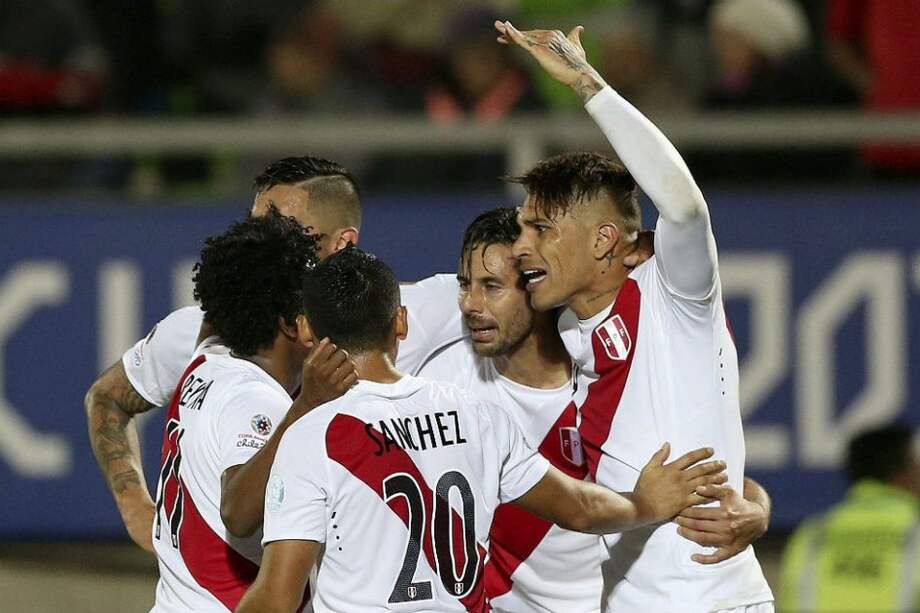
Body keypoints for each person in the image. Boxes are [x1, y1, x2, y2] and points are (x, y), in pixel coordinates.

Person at [235, 246, 727, 613]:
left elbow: (277, 598)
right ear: (400, 322)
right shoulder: (476, 414)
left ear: (308, 330)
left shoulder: (312, 435)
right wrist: (645, 504)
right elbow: (580, 509)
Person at [495, 20, 773, 612]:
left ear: (603, 240)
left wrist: (588, 85)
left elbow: (685, 206)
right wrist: (757, 501)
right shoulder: (564, 328)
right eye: (520, 229)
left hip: (709, 601)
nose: (520, 247)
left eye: (540, 229)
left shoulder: (672, 294)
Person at [84, 155, 460, 553]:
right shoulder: (209, 331)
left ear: (344, 244)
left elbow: (502, 288)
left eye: (284, 228)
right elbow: (107, 398)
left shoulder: (403, 315)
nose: (262, 242)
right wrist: (136, 510)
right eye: (256, 227)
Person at [419, 207, 773, 612]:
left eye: (492, 286)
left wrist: (757, 510)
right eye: (466, 285)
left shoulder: (608, 375)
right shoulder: (446, 385)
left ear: (536, 287)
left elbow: (705, 472)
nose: (469, 304)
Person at [150, 209, 356, 611]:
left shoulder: (203, 362)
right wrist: (305, 407)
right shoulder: (255, 400)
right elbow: (238, 513)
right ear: (293, 325)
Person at [780, 423, 920, 612]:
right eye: (916, 464)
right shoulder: (914, 528)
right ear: (903, 472)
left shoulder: (813, 532)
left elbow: (790, 598)